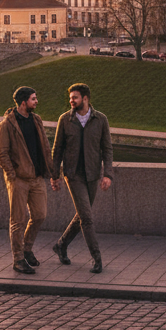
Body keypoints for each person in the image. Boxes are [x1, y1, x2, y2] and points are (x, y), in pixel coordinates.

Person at [0, 85, 59, 274]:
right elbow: (1, 154)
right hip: (19, 180)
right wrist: (13, 175)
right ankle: (18, 259)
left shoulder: (36, 119)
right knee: (18, 221)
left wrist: (53, 173)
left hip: (38, 177)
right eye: (33, 99)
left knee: (40, 215)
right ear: (24, 102)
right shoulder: (7, 124)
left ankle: (27, 248)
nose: (36, 101)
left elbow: (46, 148)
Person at [50, 82, 112, 274]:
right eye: (70, 98)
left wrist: (107, 174)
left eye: (74, 97)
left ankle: (61, 245)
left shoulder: (100, 120)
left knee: (82, 215)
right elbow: (57, 149)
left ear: (85, 99)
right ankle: (97, 258)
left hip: (93, 174)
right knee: (87, 217)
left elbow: (107, 149)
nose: (71, 101)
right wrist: (55, 175)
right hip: (73, 175)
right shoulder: (65, 120)